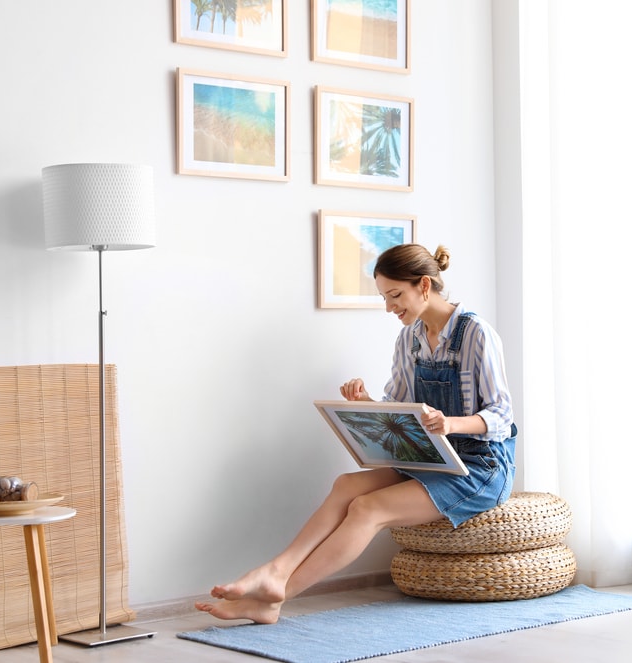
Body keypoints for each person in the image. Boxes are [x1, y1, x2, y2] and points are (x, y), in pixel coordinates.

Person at [195, 243, 517, 624]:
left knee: (368, 508)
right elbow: (399, 410)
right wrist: (366, 403)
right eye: (384, 297)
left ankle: (279, 597)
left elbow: (501, 415)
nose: (389, 307)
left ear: (424, 285)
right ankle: (276, 572)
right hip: (433, 456)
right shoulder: (409, 339)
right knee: (347, 484)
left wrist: (451, 424)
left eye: (395, 295)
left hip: (481, 467)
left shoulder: (476, 333)